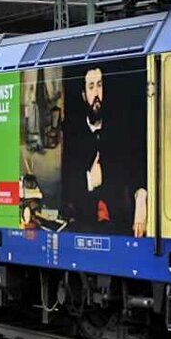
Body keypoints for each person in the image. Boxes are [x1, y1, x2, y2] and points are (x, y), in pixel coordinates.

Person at [60, 66, 147, 237]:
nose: (97, 95)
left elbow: (137, 167)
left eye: (99, 85)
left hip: (120, 225)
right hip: (86, 227)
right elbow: (65, 188)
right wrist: (89, 180)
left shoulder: (120, 131)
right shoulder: (72, 136)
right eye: (91, 87)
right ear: (84, 95)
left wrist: (142, 196)